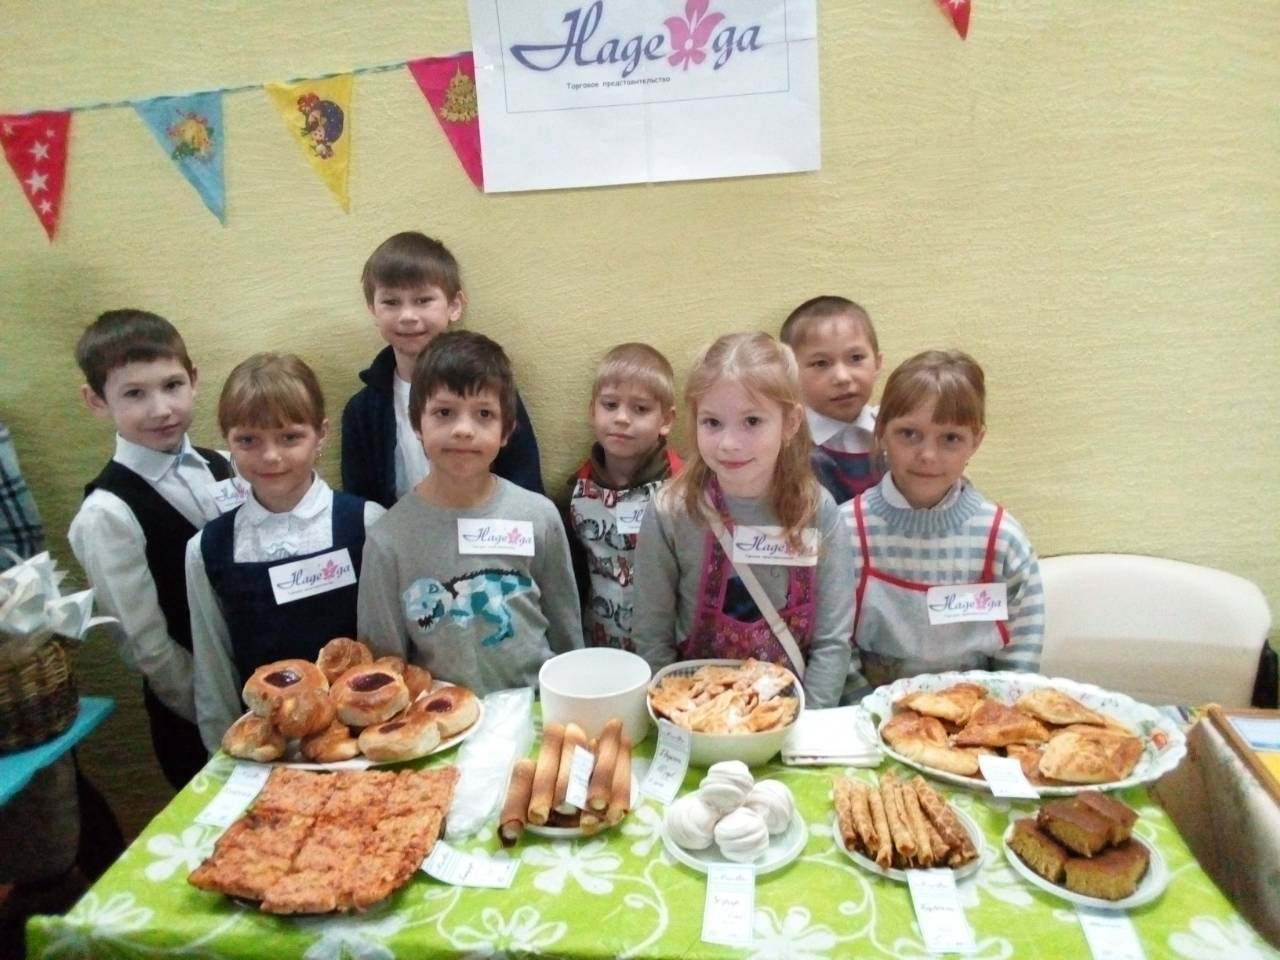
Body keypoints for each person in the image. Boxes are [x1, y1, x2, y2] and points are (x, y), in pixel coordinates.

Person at [631, 332, 853, 708]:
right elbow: (652, 635)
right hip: (695, 710)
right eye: (712, 422)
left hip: (791, 712)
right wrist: (676, 713)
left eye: (752, 421)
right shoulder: (671, 511)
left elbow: (832, 640)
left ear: (790, 423)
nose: (729, 443)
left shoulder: (817, 510)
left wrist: (812, 719)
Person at [358, 330, 581, 693]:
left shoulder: (539, 517)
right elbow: (384, 671)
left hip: (538, 707)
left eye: (484, 414)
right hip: (438, 717)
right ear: (416, 423)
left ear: (506, 430)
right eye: (444, 412)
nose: (463, 430)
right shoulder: (387, 539)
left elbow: (567, 631)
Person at [69, 309, 236, 789]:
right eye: (134, 394)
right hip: (196, 718)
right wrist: (218, 712)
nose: (161, 409)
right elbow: (147, 646)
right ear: (96, 401)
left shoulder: (226, 464)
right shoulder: (106, 514)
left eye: (172, 385)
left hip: (262, 684)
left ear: (194, 380)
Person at [186, 353, 384, 751]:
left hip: (356, 741)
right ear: (227, 439)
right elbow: (213, 666)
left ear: (321, 434)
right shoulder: (206, 549)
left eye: (290, 437)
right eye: (248, 440)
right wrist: (223, 757)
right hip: (266, 747)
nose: (271, 456)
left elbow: (386, 645)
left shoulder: (367, 523)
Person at [841, 349, 1044, 702]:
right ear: (880, 431)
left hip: (977, 719)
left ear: (976, 441)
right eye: (909, 434)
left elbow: (1020, 658)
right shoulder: (846, 531)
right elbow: (836, 647)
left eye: (950, 438)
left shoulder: (1002, 541)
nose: (927, 455)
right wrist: (870, 714)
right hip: (868, 716)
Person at [341, 231, 544, 507]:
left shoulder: (490, 388)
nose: (407, 316)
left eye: (423, 300)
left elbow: (525, 482)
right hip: (403, 530)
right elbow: (363, 506)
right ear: (373, 310)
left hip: (488, 529)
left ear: (454, 306)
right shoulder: (362, 411)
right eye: (391, 302)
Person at [565, 343, 680, 650]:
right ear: (592, 411)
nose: (622, 418)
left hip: (669, 648)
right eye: (610, 405)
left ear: (666, 420)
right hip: (599, 645)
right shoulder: (575, 489)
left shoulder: (684, 489)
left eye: (640, 409)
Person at [780, 295, 884, 505]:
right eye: (821, 363)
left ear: (878, 363)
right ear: (789, 373)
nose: (842, 377)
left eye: (856, 358)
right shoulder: (787, 445)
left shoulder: (895, 432)